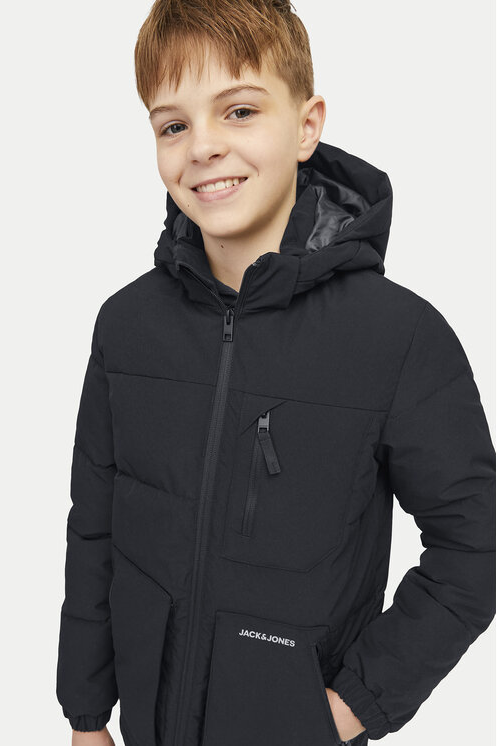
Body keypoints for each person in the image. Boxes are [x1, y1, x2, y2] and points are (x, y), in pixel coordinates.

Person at [55, 1, 496, 744]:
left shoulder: (397, 337)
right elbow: (94, 527)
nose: (203, 147)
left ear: (306, 125)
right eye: (173, 125)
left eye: (239, 111)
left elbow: (476, 548)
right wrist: (86, 714)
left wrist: (345, 709)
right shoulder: (127, 325)